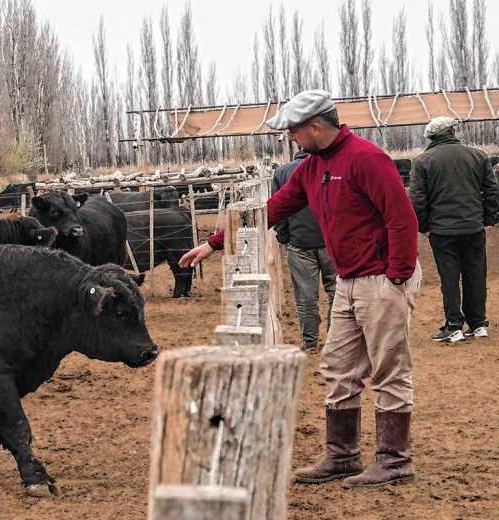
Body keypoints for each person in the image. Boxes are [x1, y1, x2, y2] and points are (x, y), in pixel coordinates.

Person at [180, 90, 421, 488]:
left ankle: (395, 460)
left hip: (380, 279)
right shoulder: (311, 168)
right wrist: (215, 242)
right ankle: (342, 455)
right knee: (338, 366)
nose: (290, 136)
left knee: (389, 368)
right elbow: (271, 209)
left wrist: (397, 274)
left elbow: (402, 218)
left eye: (293, 129)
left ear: (315, 126)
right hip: (349, 279)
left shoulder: (366, 159)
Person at [409, 117, 499, 342]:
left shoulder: (423, 161)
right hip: (473, 228)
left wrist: (424, 226)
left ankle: (454, 325)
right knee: (476, 274)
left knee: (449, 278)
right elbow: (492, 191)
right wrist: (488, 218)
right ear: (451, 132)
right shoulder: (478, 156)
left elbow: (418, 199)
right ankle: (478, 324)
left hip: (442, 232)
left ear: (432, 137)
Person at [272, 148, 337, 351]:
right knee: (337, 292)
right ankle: (337, 340)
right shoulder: (328, 167)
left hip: (300, 244)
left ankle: (310, 343)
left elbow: (278, 209)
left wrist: (284, 237)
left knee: (306, 297)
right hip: (331, 242)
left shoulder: (282, 173)